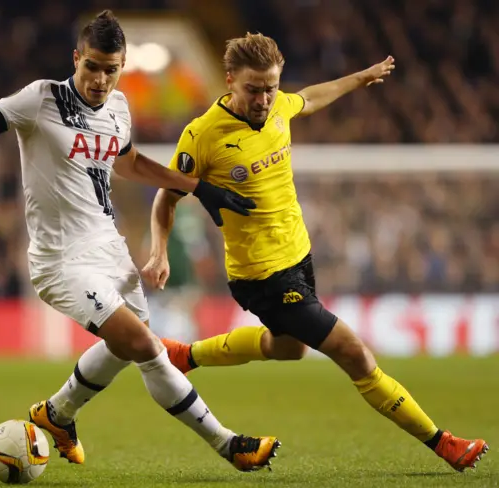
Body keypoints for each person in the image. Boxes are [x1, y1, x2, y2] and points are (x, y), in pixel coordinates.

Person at [0, 11, 280, 472]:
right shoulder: (41, 99)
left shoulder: (119, 109)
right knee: (147, 347)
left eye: (111, 69)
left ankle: (55, 416)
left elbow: (128, 163)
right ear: (76, 58)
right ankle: (229, 445)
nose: (100, 79)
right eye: (92, 66)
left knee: (122, 346)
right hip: (61, 261)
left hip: (110, 249)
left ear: (122, 66)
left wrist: (197, 187)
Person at [143, 32, 488, 472]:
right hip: (261, 275)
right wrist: (160, 253)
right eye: (253, 89)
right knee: (355, 355)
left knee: (287, 348)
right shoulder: (203, 135)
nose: (265, 98)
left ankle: (184, 356)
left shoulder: (278, 106)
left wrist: (361, 78)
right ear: (229, 80)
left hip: (298, 257)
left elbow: (309, 97)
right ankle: (443, 443)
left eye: (270, 87)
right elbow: (165, 197)